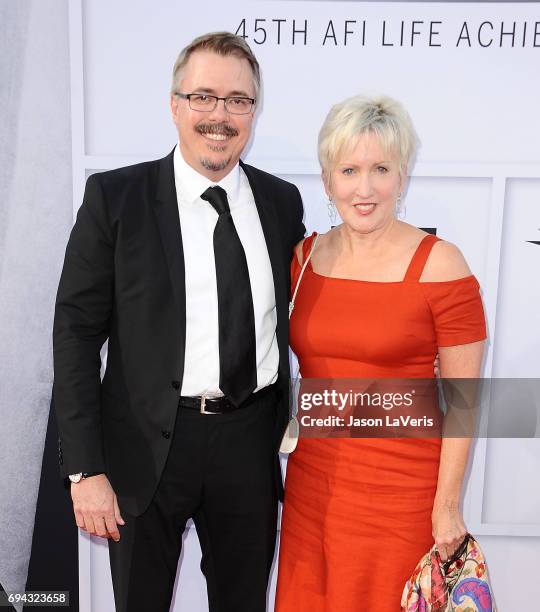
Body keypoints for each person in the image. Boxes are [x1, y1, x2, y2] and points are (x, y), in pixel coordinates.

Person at [53, 32, 305, 612]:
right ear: (175, 105)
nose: (220, 115)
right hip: (142, 450)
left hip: (249, 441)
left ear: (254, 110)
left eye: (238, 100)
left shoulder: (280, 202)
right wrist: (84, 468)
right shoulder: (115, 198)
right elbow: (75, 334)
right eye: (203, 97)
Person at [275, 95, 486, 611]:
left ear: (402, 175)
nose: (364, 189)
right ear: (327, 180)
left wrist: (448, 506)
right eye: (349, 170)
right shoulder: (305, 258)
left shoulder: (441, 265)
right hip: (312, 487)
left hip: (400, 496)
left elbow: (463, 400)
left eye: (380, 169)